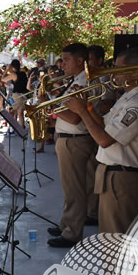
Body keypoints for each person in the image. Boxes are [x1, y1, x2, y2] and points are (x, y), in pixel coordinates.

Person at [65, 48, 138, 235]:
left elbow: (104, 140)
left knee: (116, 239)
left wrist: (81, 111)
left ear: (134, 71)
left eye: (118, 68)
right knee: (109, 235)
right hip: (112, 174)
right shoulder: (127, 97)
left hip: (123, 177)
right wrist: (88, 106)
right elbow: (104, 126)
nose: (112, 72)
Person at [46, 43, 99, 248]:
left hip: (75, 141)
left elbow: (75, 119)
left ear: (79, 61)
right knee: (72, 188)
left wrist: (50, 105)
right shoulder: (76, 80)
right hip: (69, 139)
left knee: (74, 189)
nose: (63, 64)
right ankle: (66, 224)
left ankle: (71, 233)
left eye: (66, 60)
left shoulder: (83, 81)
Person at [0, 59, 29, 129]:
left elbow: (2, 79)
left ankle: (12, 129)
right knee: (20, 112)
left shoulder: (13, 75)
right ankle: (21, 128)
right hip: (24, 95)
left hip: (16, 95)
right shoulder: (23, 73)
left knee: (11, 111)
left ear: (12, 66)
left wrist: (6, 70)